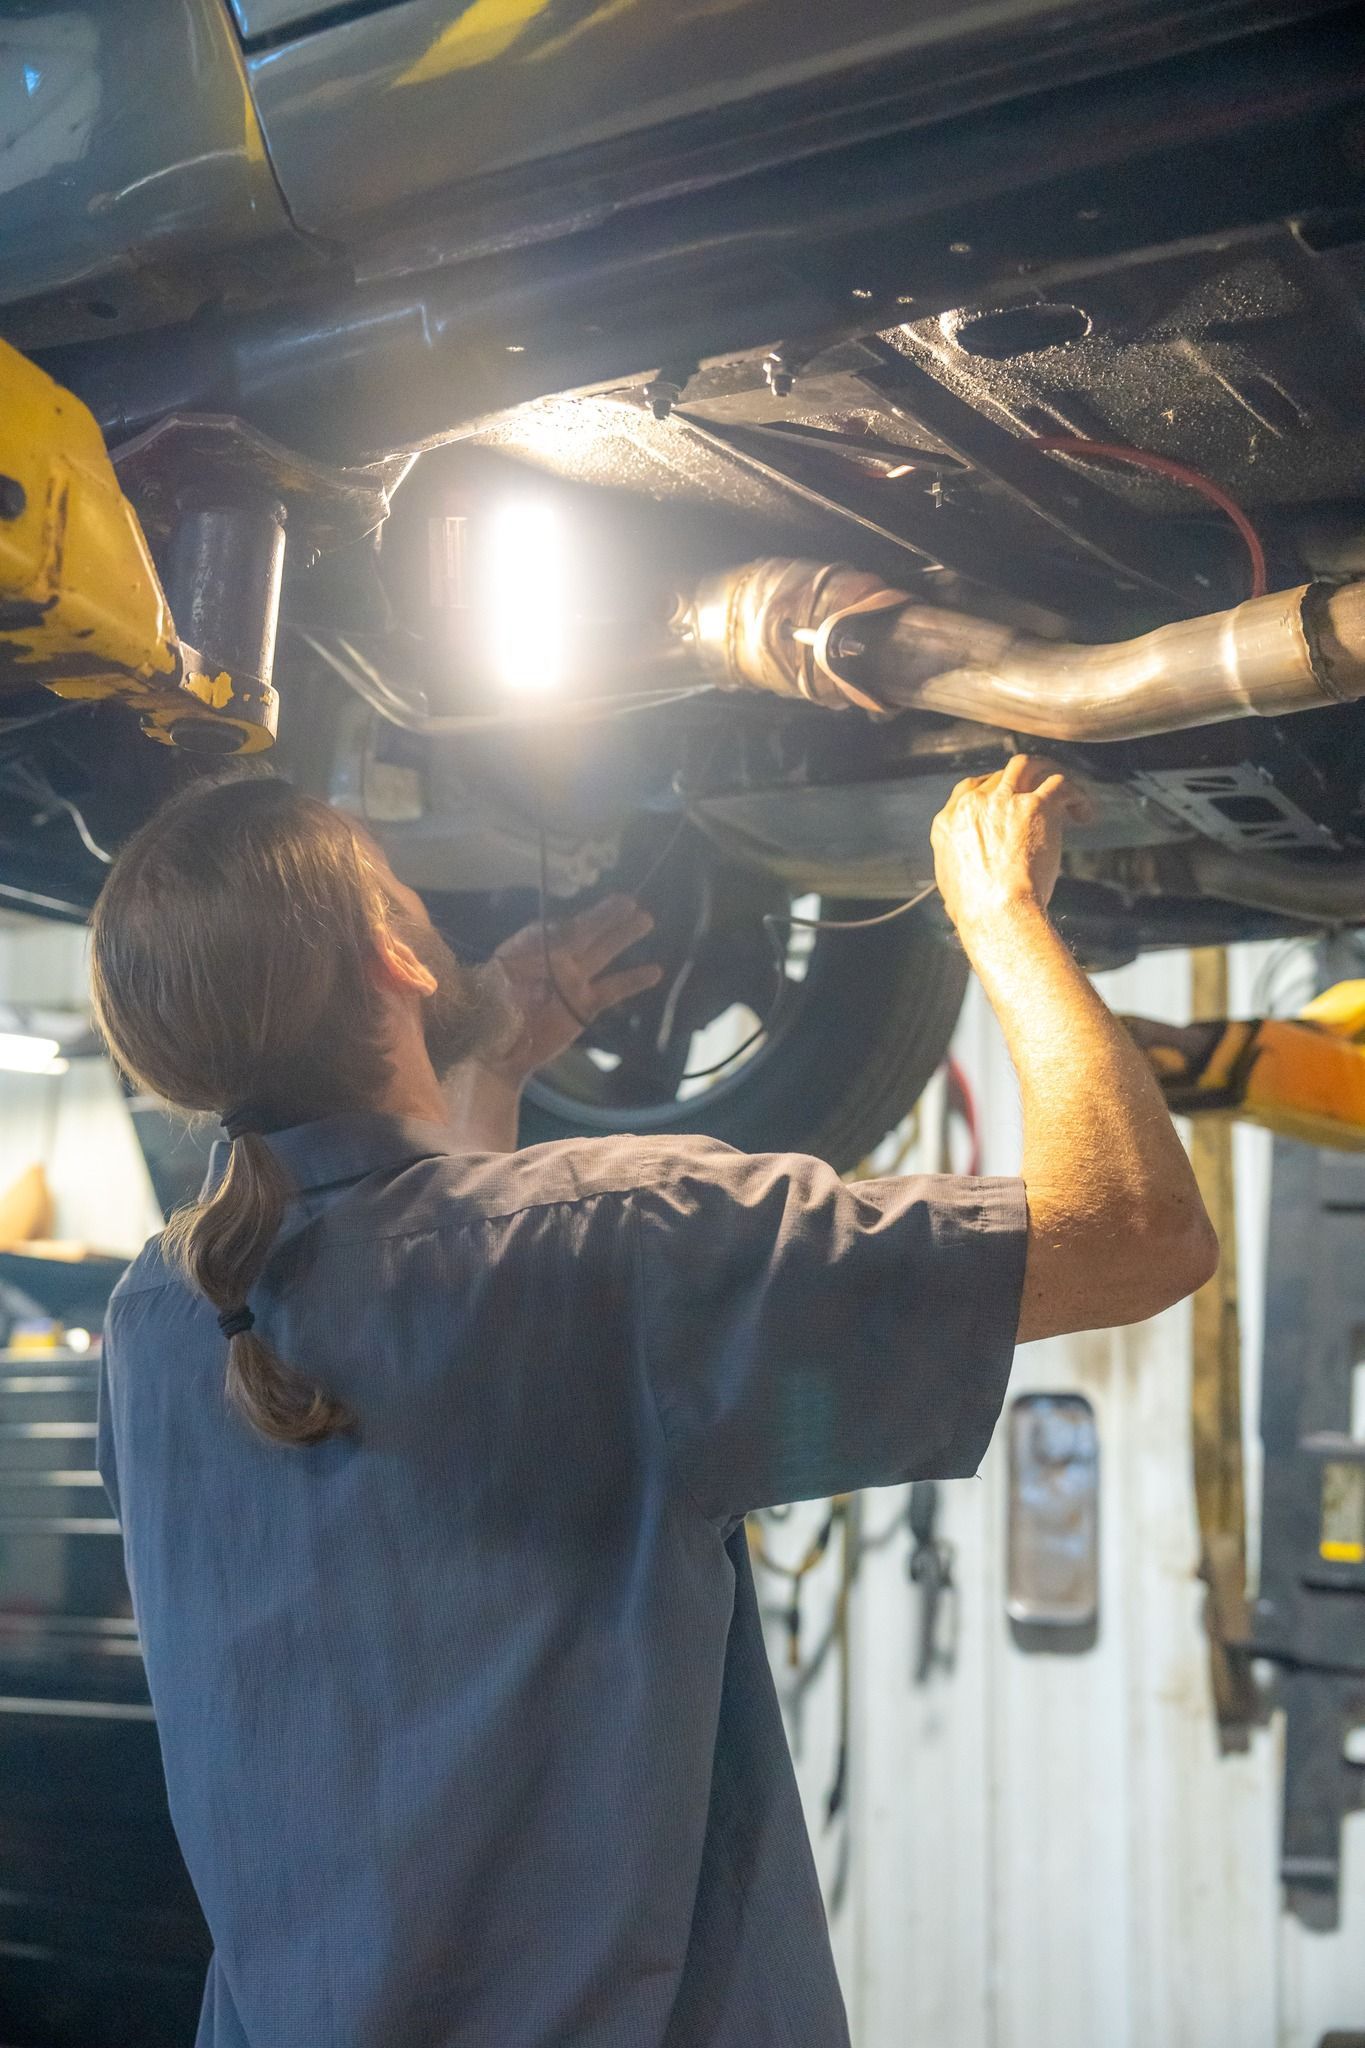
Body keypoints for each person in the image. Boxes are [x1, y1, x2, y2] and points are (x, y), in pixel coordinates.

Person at [90, 757, 1215, 2048]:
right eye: (405, 887)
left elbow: (448, 1401)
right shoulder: (625, 1247)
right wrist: (1000, 916)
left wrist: (490, 1076)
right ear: (393, 958)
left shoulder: (160, 1330)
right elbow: (1134, 1230)